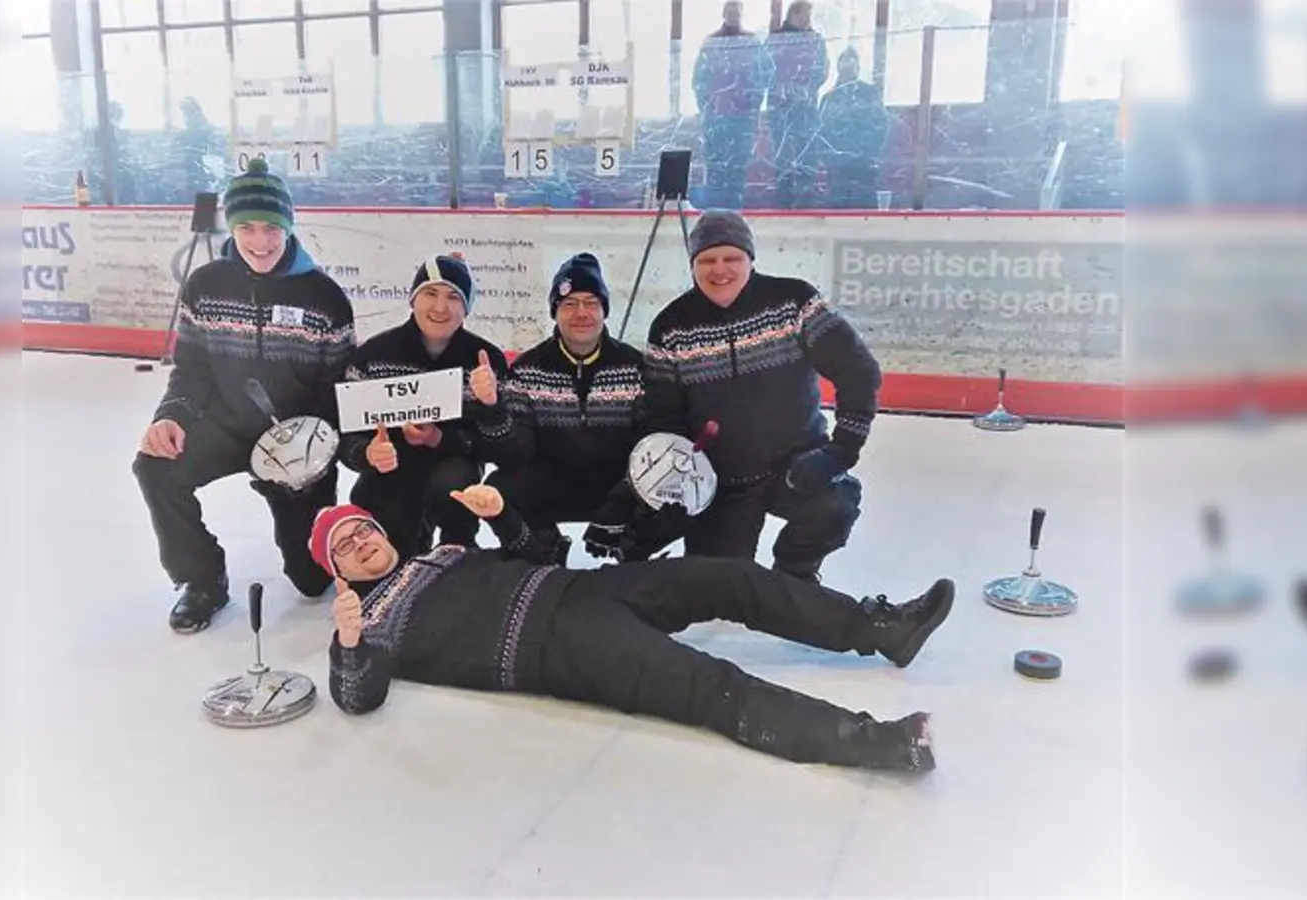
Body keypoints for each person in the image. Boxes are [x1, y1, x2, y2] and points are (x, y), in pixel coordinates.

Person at [315, 485, 949, 773]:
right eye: (345, 545)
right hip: (558, 648)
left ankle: (880, 627)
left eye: (363, 528)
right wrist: (348, 644)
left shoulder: (444, 553)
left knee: (729, 577)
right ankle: (877, 745)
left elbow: (541, 551)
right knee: (711, 686)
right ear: (336, 568)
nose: (362, 542)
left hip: (585, 588)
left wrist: (506, 515)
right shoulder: (367, 621)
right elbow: (356, 696)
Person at [133, 157, 356, 634]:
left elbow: (338, 390)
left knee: (313, 581)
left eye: (271, 229)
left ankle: (294, 523)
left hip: (296, 442)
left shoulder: (325, 298)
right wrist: (170, 416)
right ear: (231, 228)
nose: (260, 242)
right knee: (155, 466)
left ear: (289, 226)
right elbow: (191, 370)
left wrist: (307, 458)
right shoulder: (205, 285)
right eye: (247, 228)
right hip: (227, 425)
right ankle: (202, 579)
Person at [643, 210, 880, 582]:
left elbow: (859, 371)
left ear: (750, 259)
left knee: (835, 505)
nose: (719, 270)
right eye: (707, 260)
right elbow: (663, 416)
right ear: (693, 265)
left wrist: (840, 452)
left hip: (796, 465)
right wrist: (674, 485)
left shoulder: (793, 301)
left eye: (731, 258)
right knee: (717, 587)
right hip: (720, 479)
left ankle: (795, 572)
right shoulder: (671, 327)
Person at [336, 253, 512, 557]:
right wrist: (366, 454)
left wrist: (450, 432)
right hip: (392, 467)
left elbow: (501, 448)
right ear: (412, 299)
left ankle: (458, 544)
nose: (440, 307)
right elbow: (346, 434)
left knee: (452, 484)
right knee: (379, 511)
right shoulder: (373, 355)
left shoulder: (486, 360)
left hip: (453, 464)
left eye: (453, 297)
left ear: (466, 307)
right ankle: (407, 541)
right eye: (430, 293)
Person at [483, 252, 649, 563]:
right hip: (555, 479)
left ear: (604, 310)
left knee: (664, 488)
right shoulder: (528, 369)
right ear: (554, 311)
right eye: (570, 304)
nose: (581, 313)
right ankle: (544, 550)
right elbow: (514, 455)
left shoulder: (634, 366)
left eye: (591, 302)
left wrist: (622, 500)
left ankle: (632, 559)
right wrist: (492, 409)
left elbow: (650, 447)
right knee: (500, 488)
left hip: (617, 485)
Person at [691, 1, 772, 209]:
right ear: (724, 13)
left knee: (737, 169)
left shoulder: (752, 43)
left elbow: (764, 76)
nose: (734, 15)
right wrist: (709, 107)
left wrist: (752, 107)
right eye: (731, 12)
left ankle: (733, 216)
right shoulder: (711, 43)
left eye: (737, 12)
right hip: (716, 118)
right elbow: (698, 80)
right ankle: (715, 217)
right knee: (716, 168)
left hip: (742, 119)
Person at [763, 1, 829, 209]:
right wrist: (781, 87)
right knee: (783, 156)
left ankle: (805, 203)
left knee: (807, 154)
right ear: (795, 15)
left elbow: (823, 69)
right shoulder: (775, 40)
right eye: (805, 16)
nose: (808, 20)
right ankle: (783, 203)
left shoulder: (815, 39)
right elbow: (764, 69)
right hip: (780, 109)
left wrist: (805, 88)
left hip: (806, 108)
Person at [816, 46, 890, 209]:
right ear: (839, 68)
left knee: (865, 211)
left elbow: (881, 125)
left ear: (858, 68)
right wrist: (830, 158)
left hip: (863, 164)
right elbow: (820, 132)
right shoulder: (829, 98)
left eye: (852, 64)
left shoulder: (869, 93)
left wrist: (870, 153)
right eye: (845, 64)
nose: (848, 69)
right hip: (837, 167)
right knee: (836, 209)